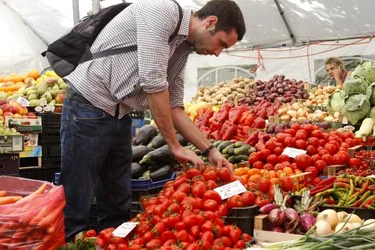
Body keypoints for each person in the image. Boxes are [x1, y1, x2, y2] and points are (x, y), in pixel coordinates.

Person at [60, 0, 246, 241]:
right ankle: (69, 243)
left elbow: (175, 106)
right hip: (88, 105)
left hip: (119, 112)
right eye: (221, 43)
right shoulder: (161, 11)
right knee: (78, 196)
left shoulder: (182, 46)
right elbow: (154, 83)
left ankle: (114, 244)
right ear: (211, 22)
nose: (218, 52)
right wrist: (174, 145)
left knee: (117, 201)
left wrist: (209, 150)